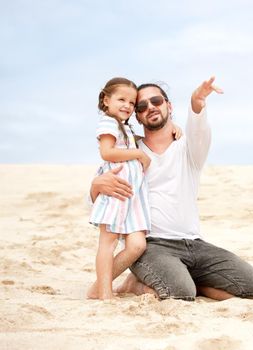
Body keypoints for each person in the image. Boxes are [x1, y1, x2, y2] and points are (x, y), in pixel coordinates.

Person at [90, 76, 253, 301]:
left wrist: (197, 101)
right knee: (180, 294)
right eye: (142, 106)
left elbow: (199, 129)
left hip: (194, 243)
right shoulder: (131, 151)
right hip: (152, 245)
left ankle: (189, 282)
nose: (150, 107)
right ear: (137, 115)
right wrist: (96, 186)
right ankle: (137, 284)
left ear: (169, 106)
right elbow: (103, 197)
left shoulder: (189, 149)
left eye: (156, 101)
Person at [87, 77, 183, 300]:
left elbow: (134, 139)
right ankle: (104, 292)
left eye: (131, 103)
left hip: (132, 199)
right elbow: (107, 152)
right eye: (122, 100)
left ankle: (104, 285)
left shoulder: (125, 127)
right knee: (107, 244)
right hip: (116, 193)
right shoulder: (108, 123)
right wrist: (139, 154)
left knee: (137, 245)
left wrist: (172, 127)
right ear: (105, 100)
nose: (127, 106)